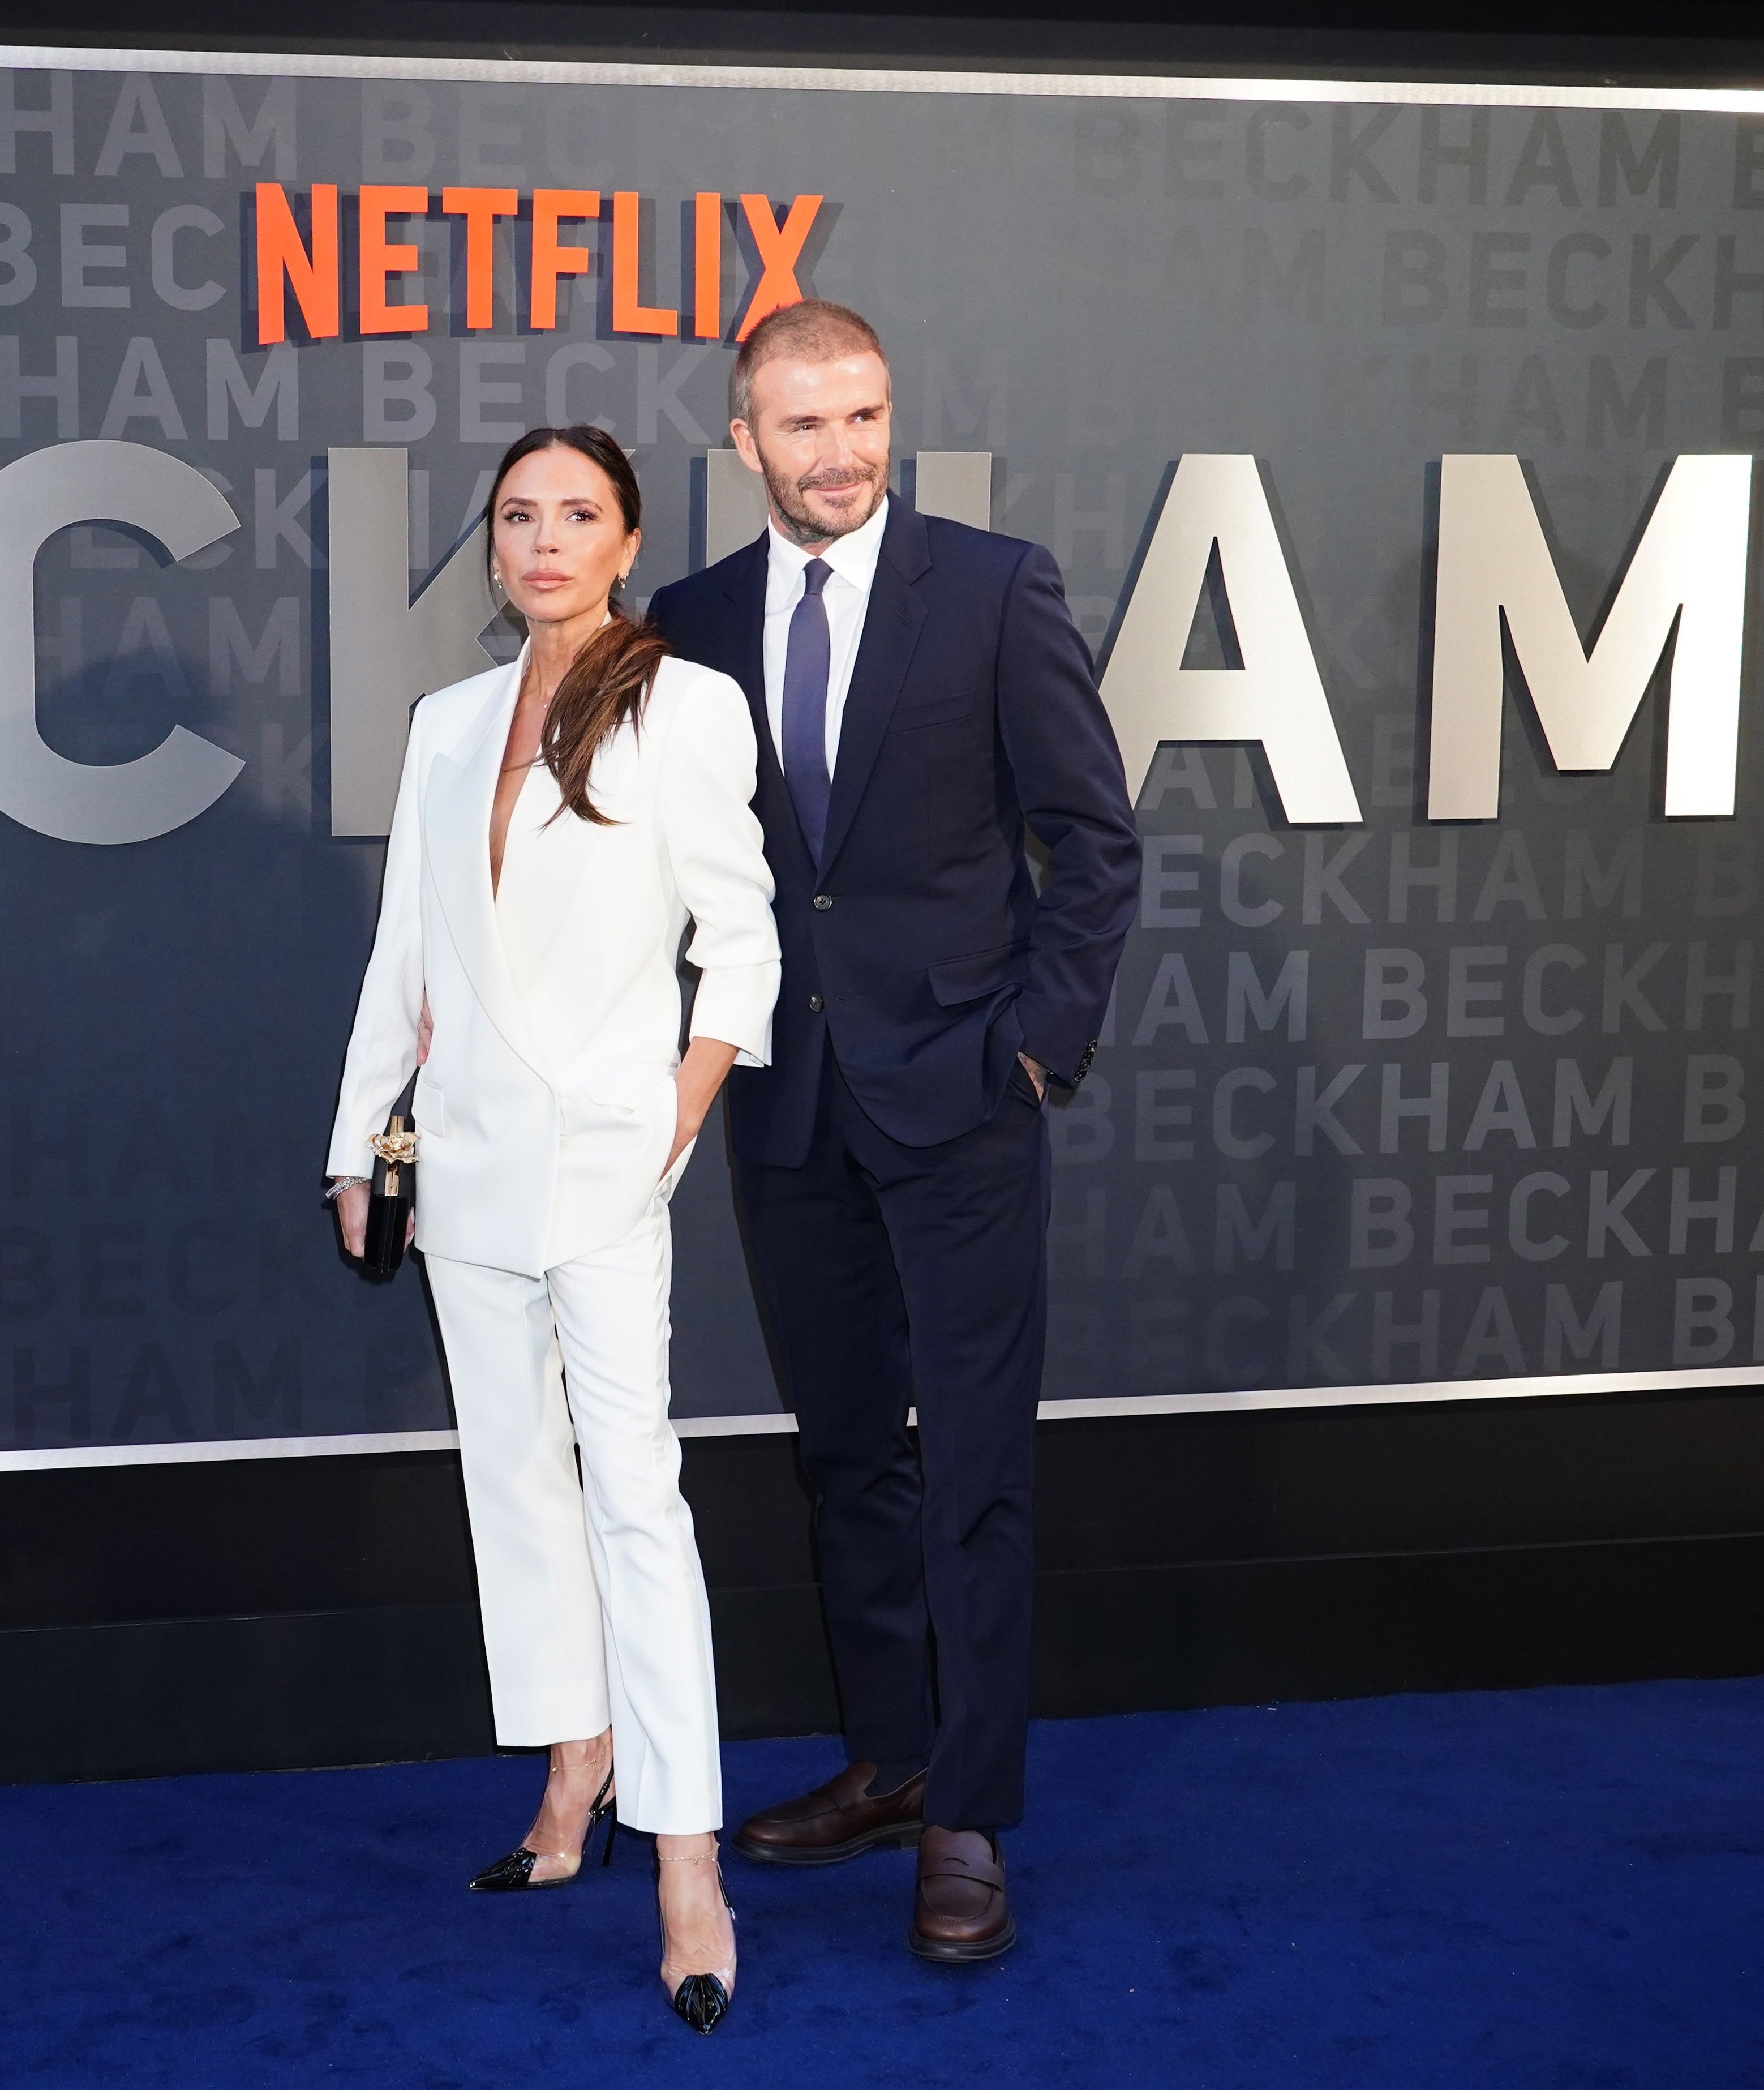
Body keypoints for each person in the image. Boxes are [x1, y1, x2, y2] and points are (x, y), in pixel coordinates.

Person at [646, 301, 1141, 1964]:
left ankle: (969, 1813)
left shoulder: (995, 590)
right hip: (782, 1102)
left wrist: (1035, 1052)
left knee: (976, 1466)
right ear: (746, 445)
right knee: (846, 1447)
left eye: (862, 416)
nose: (842, 451)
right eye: (804, 425)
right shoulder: (692, 618)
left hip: (961, 1097)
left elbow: (1093, 839)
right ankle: (889, 1753)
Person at [323, 425, 779, 2033]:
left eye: (574, 513)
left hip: (601, 1163)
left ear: (625, 533)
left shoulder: (685, 701)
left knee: (634, 1492)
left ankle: (687, 1860)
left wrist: (673, 1109)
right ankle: (571, 1763)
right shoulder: (448, 721)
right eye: (517, 515)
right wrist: (357, 1139)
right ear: (494, 543)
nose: (542, 539)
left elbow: (740, 938)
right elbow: (410, 951)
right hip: (461, 1164)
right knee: (512, 1479)